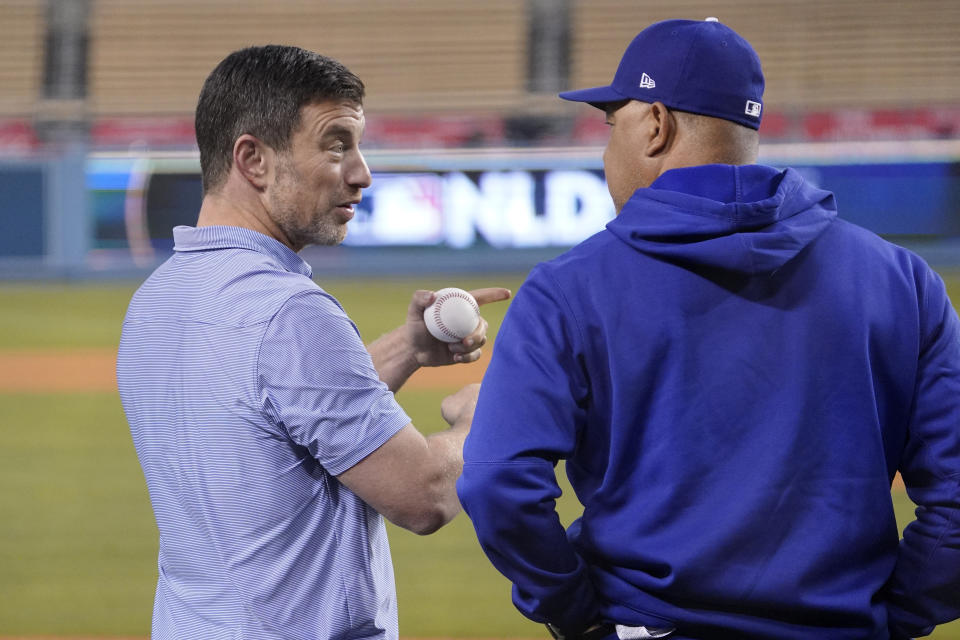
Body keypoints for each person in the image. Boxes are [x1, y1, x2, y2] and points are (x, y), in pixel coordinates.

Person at [457, 18, 960, 640]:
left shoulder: (569, 288)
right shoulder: (904, 281)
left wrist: (576, 615)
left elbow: (498, 482)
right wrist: (898, 615)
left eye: (612, 122)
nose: (607, 145)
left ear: (656, 124)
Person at [116, 45, 509, 640]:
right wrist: (480, 421)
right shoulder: (292, 313)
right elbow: (424, 495)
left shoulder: (157, 296)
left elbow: (279, 409)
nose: (362, 172)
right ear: (253, 160)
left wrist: (407, 348)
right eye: (336, 144)